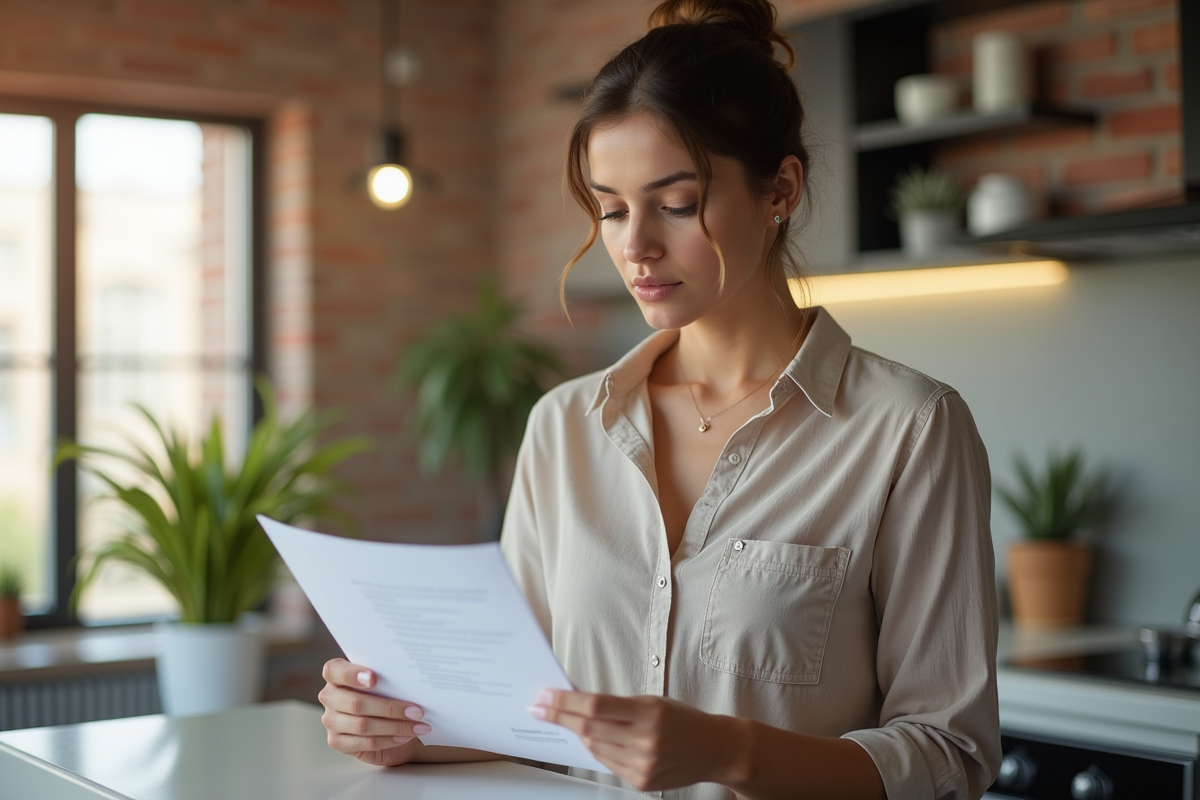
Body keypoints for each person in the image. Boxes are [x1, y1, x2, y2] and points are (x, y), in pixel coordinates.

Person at [318, 0, 1001, 797]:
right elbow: (522, 711)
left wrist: (729, 754)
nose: (635, 245)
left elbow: (949, 754)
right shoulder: (564, 426)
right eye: (610, 209)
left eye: (675, 204)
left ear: (780, 188)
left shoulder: (909, 428)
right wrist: (397, 726)